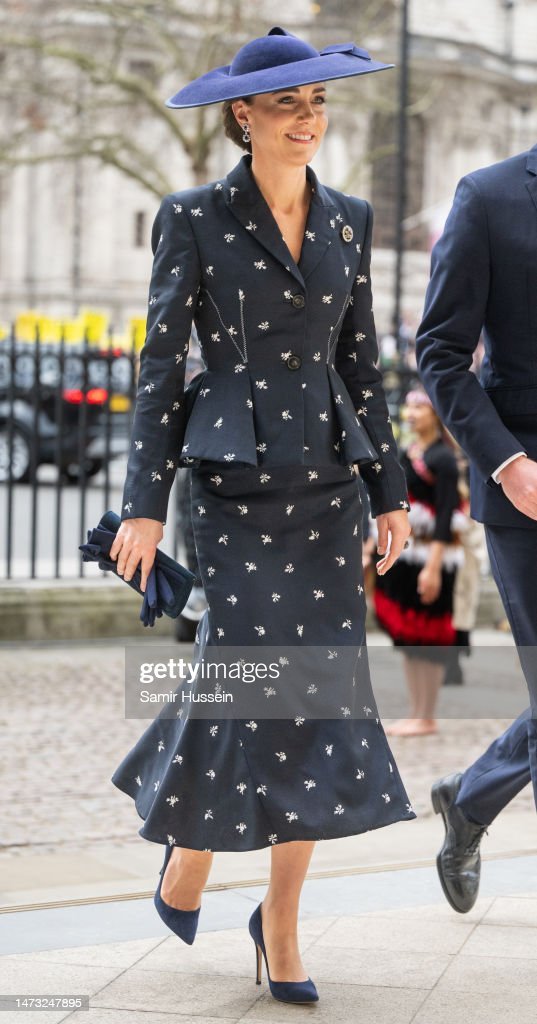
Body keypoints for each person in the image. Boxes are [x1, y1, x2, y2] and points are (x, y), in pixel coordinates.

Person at [108, 26, 416, 1002]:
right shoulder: (191, 216)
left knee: (317, 694)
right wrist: (142, 508)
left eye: (317, 102)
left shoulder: (349, 219)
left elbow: (362, 364)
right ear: (243, 115)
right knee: (240, 675)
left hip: (326, 482)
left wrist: (390, 490)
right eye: (288, 104)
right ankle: (194, 846)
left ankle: (278, 919)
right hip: (232, 483)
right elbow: (160, 368)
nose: (307, 119)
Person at [416, 143, 537, 913]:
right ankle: (468, 804)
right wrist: (507, 463)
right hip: (526, 489)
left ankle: (469, 801)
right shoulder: (488, 197)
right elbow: (439, 351)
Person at [371, 388, 467, 736]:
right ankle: (415, 711)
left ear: (435, 415)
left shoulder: (443, 459)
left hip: (432, 557)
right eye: (409, 407)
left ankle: (426, 715)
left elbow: (446, 516)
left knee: (429, 639)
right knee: (410, 640)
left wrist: (433, 568)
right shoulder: (408, 453)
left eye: (419, 408)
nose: (411, 414)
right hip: (408, 558)